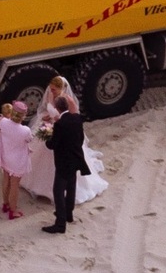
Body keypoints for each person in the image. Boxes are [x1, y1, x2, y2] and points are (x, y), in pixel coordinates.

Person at [24, 76, 108, 209]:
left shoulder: (68, 101)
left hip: (63, 133)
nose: (51, 92)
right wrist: (48, 117)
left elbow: (74, 118)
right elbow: (49, 109)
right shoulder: (51, 96)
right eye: (50, 89)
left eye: (54, 90)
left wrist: (57, 121)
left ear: (62, 88)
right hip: (53, 127)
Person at [43, 110, 92, 233]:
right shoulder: (76, 118)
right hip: (75, 159)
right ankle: (69, 214)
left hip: (63, 162)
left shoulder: (60, 124)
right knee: (71, 187)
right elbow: (80, 139)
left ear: (58, 110)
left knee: (58, 191)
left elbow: (53, 144)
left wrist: (47, 139)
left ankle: (60, 224)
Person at [0, 101, 34, 219]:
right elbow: (29, 139)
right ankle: (13, 210)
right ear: (23, 116)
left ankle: (5, 204)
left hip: (5, 156)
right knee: (15, 185)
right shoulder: (25, 130)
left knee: (6, 180)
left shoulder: (3, 122)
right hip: (17, 161)